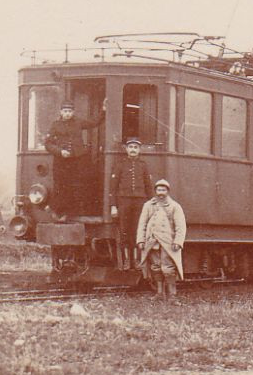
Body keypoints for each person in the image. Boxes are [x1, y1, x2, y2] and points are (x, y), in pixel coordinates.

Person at [42, 100, 99, 218]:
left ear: (73, 112)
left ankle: (67, 212)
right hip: (60, 161)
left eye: (70, 111)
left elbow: (93, 123)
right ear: (61, 112)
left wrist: (103, 110)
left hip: (76, 160)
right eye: (65, 111)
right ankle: (55, 209)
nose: (67, 113)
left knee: (73, 186)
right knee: (60, 185)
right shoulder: (55, 125)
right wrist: (60, 151)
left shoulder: (78, 122)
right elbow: (48, 144)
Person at [137, 179, 187, 303]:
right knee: (155, 268)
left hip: (168, 242)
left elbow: (181, 226)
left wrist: (178, 242)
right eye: (159, 190)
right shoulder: (148, 205)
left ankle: (173, 296)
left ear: (167, 191)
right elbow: (142, 224)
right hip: (152, 242)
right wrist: (141, 240)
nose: (161, 193)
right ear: (155, 191)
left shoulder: (175, 206)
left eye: (163, 190)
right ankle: (159, 293)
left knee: (168, 269)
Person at [108, 137, 154, 270]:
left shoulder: (143, 165)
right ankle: (127, 260)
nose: (133, 150)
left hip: (140, 201)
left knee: (137, 231)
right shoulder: (120, 164)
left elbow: (148, 187)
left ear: (139, 149)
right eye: (130, 147)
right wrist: (113, 206)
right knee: (124, 231)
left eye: (135, 147)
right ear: (126, 149)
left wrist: (151, 206)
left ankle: (137, 260)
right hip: (123, 201)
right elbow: (113, 187)